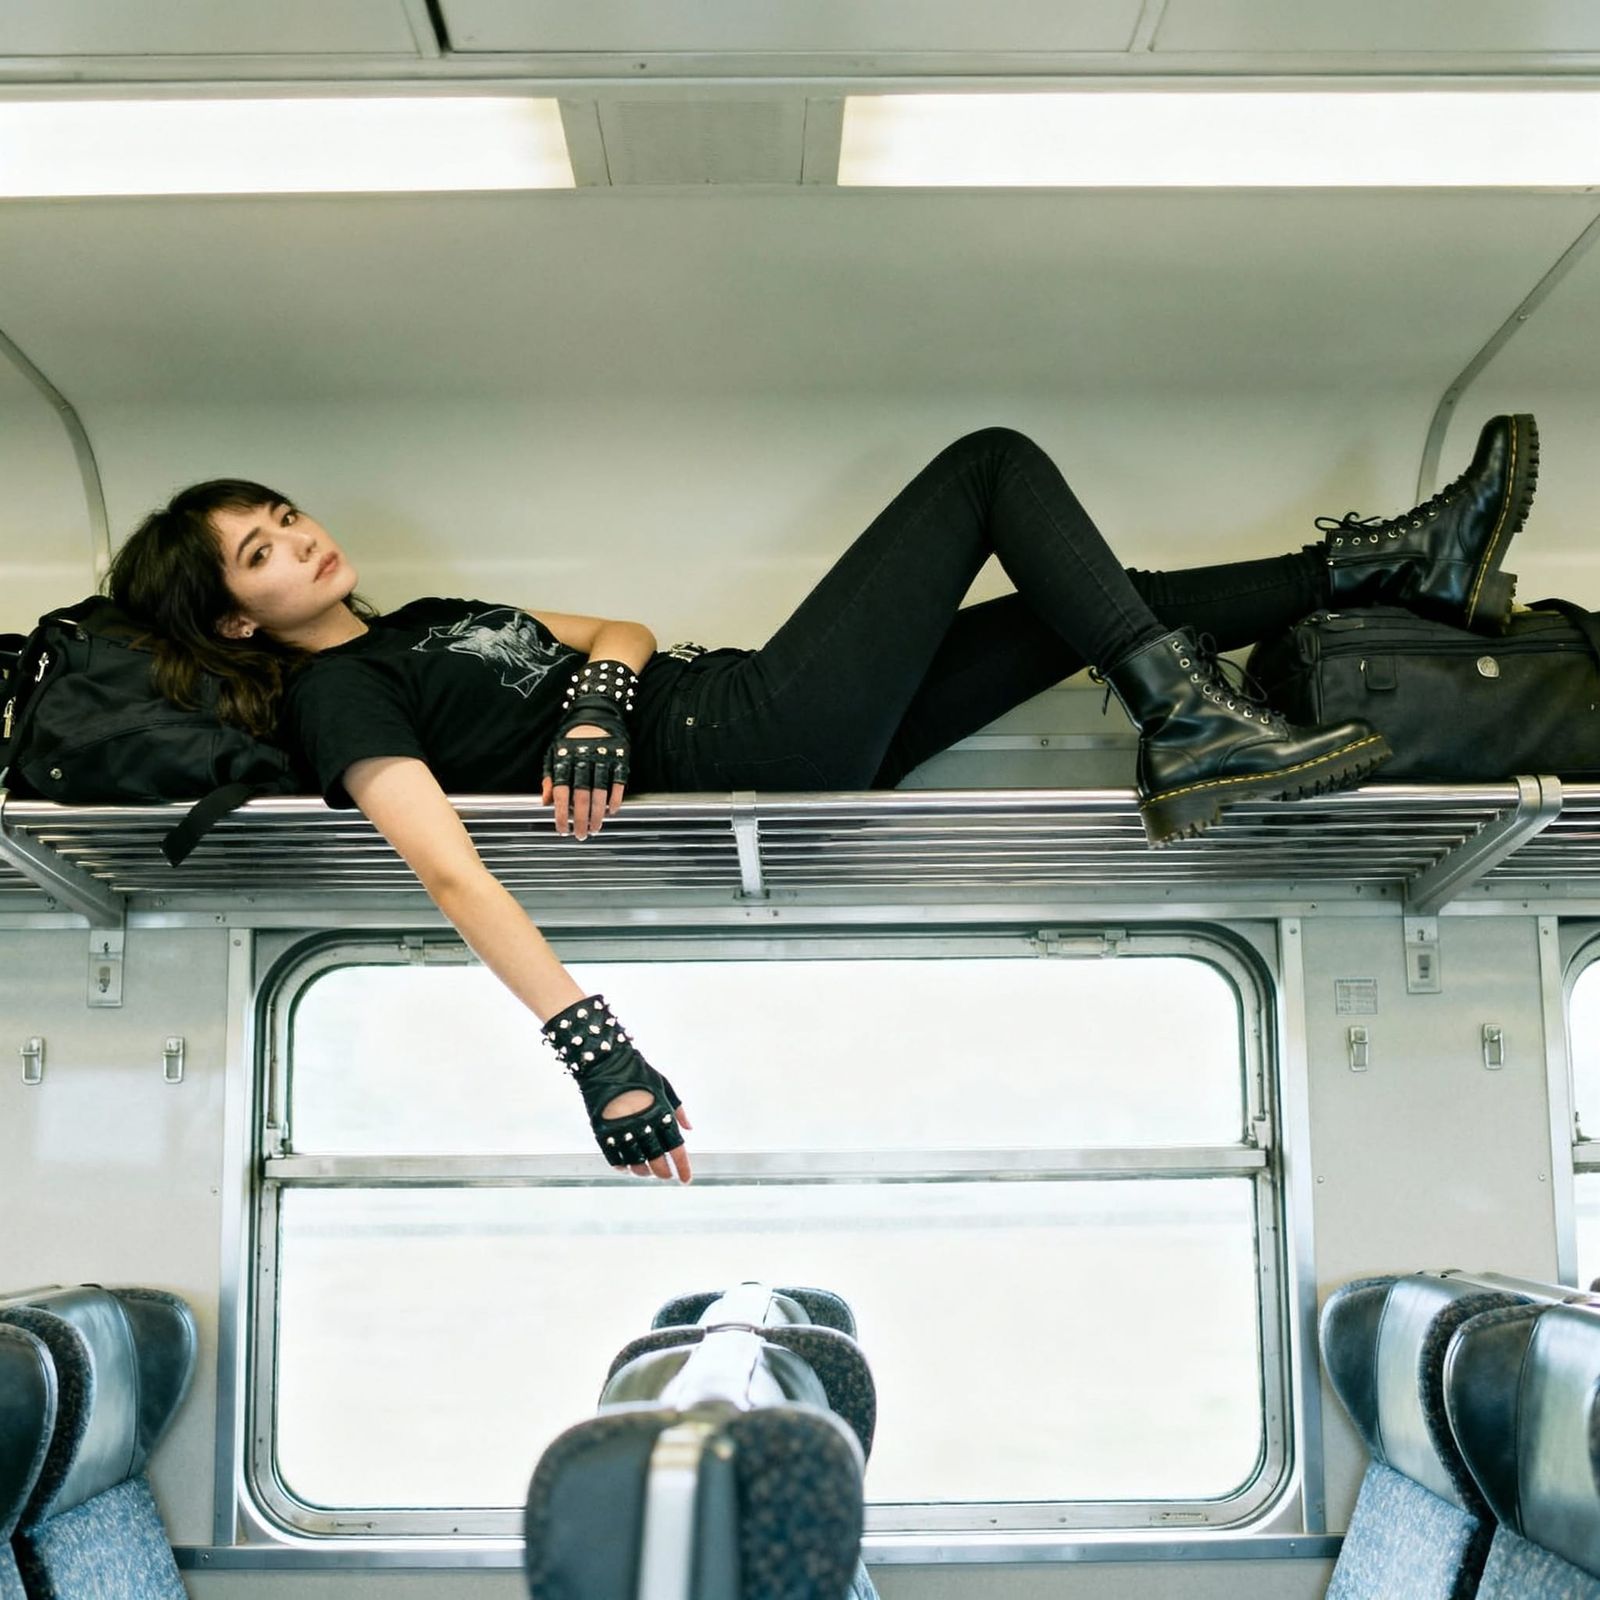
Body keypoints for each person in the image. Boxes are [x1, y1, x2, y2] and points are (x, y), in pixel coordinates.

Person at [106, 415, 1539, 1187]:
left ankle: (1390, 571)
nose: (296, 538)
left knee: (1080, 607)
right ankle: (1200, 721)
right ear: (234, 622)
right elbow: (454, 876)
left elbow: (614, 627)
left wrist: (599, 698)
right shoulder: (342, 703)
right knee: (988, 468)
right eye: (259, 554)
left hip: (739, 703)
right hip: (758, 731)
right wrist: (600, 1058)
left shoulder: (415, 621)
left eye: (282, 517)